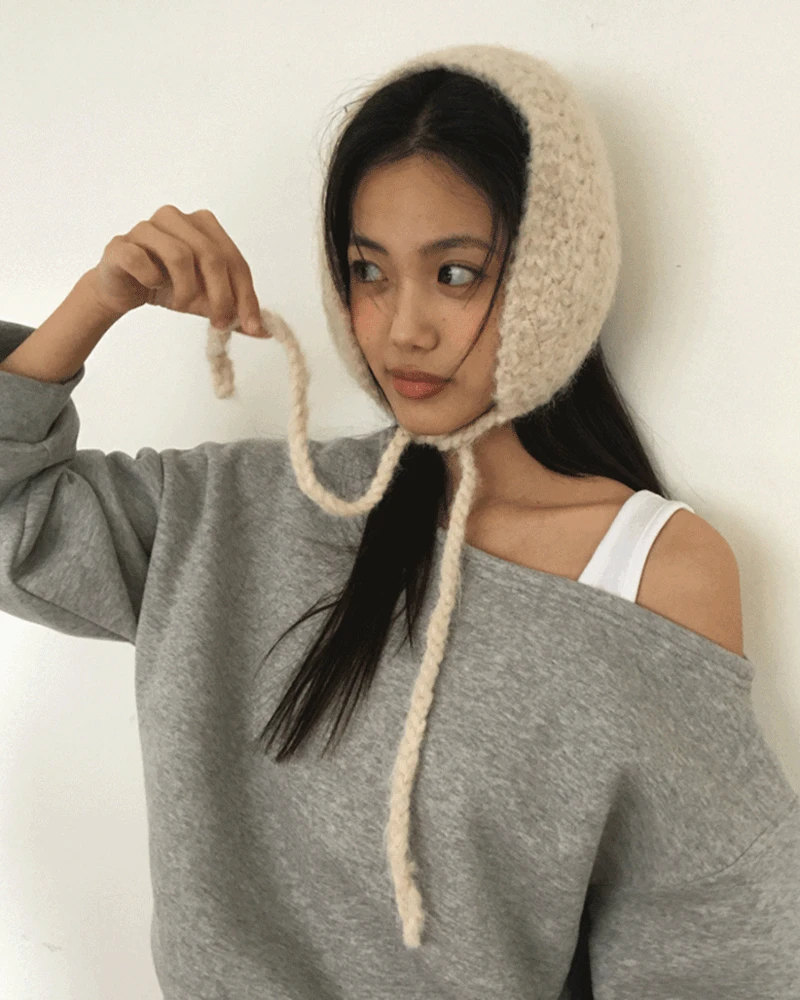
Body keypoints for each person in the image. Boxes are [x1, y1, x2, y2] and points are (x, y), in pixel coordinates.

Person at [1, 42, 798, 1000]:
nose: (403, 328)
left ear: (554, 274)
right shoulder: (232, 513)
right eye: (368, 271)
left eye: (456, 273)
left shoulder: (650, 570)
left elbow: (713, 955)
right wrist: (99, 300)